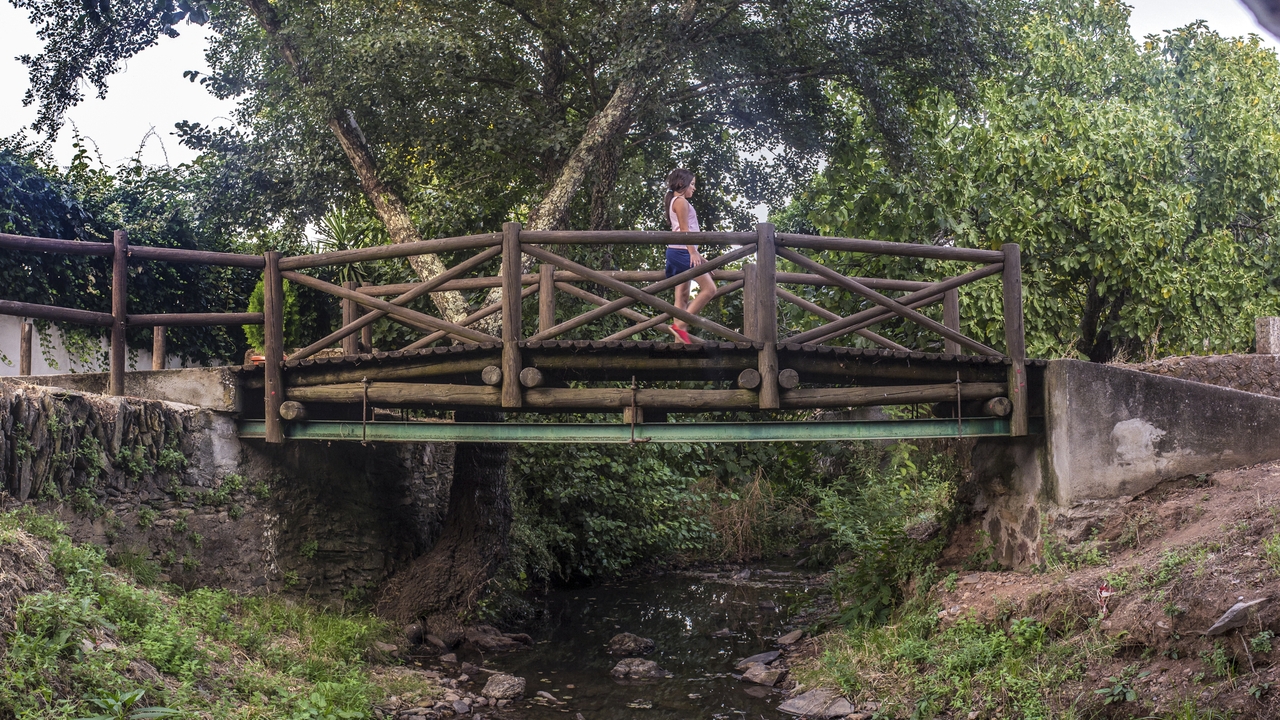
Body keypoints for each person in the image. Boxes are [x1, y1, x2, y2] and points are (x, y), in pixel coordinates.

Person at [664, 168, 716, 343]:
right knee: (710, 289)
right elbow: (685, 230)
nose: (694, 188)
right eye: (692, 184)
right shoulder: (680, 202)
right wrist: (692, 252)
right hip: (682, 251)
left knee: (682, 296)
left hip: (679, 250)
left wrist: (697, 254)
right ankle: (679, 325)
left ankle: (679, 342)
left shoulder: (676, 200)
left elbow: (683, 230)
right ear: (681, 184)